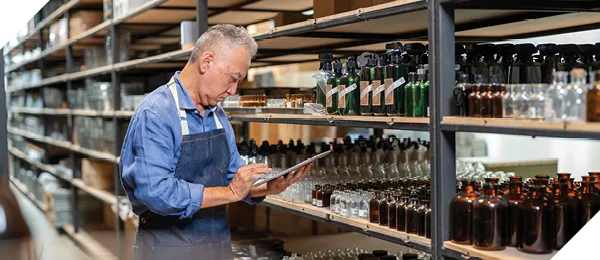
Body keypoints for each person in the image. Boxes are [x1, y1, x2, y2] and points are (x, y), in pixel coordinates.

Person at [119, 24, 311, 260]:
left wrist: (266, 187)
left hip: (218, 247)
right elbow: (156, 193)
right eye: (233, 78)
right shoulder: (157, 113)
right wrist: (230, 192)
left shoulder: (217, 115)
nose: (233, 90)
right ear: (206, 62)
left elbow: (233, 172)